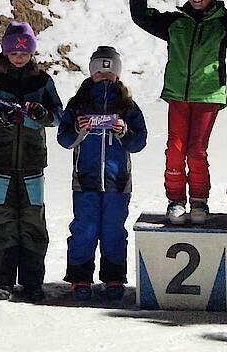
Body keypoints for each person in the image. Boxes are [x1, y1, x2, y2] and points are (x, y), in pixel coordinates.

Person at [129, 0, 227, 223]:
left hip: (208, 95)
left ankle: (199, 202)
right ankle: (175, 201)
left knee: (196, 150)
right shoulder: (176, 21)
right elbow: (142, 17)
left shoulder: (222, 22)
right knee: (175, 149)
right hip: (178, 95)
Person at [0, 21, 63, 303]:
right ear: (5, 51)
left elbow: (59, 116)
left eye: (24, 53)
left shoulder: (42, 81)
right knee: (2, 220)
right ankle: (3, 280)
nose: (19, 57)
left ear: (32, 53)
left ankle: (32, 281)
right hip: (0, 163)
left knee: (33, 221)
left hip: (32, 163)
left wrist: (41, 114)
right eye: (14, 52)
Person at [57, 47, 147, 302]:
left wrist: (123, 130)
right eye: (99, 72)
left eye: (109, 73)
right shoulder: (78, 103)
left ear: (117, 74)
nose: (104, 77)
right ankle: (80, 276)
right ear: (91, 73)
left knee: (113, 230)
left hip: (117, 181)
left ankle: (114, 277)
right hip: (86, 179)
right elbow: (64, 139)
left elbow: (139, 142)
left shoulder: (127, 105)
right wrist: (79, 129)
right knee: (84, 228)